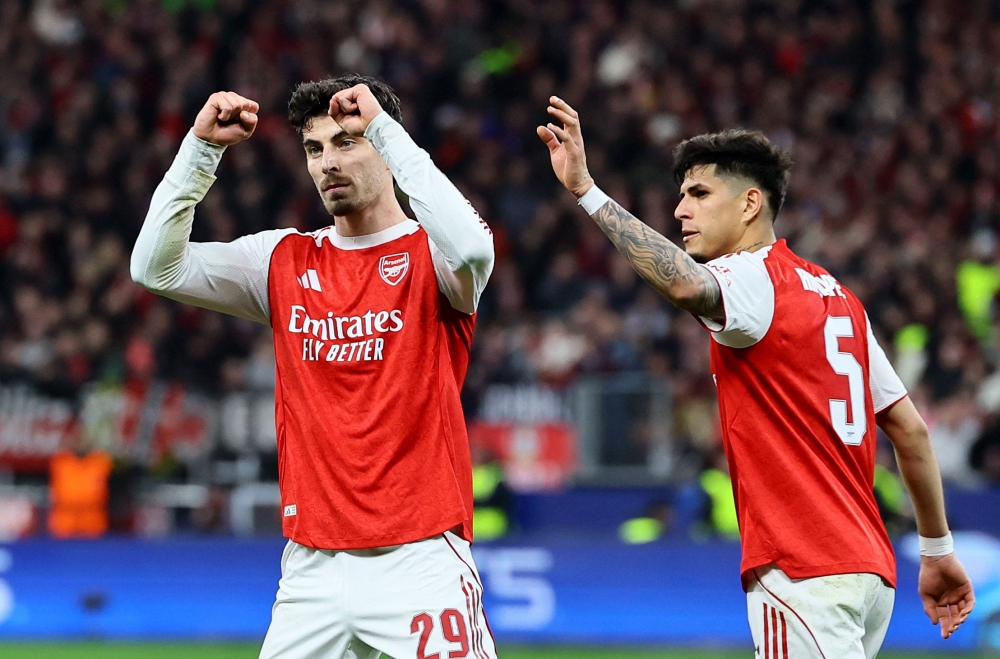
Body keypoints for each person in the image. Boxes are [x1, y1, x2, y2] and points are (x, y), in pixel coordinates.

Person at [538, 96, 975, 658]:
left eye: (698, 194)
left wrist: (586, 192)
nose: (679, 211)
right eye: (680, 196)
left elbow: (682, 284)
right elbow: (910, 431)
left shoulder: (747, 278)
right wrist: (937, 551)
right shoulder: (839, 298)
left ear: (750, 204)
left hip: (802, 569)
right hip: (868, 572)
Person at [132, 75, 497, 659]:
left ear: (385, 141)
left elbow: (477, 250)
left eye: (347, 141)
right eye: (314, 148)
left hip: (420, 556)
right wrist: (200, 152)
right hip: (311, 568)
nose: (328, 161)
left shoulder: (433, 255)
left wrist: (384, 129)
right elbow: (156, 268)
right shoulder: (282, 259)